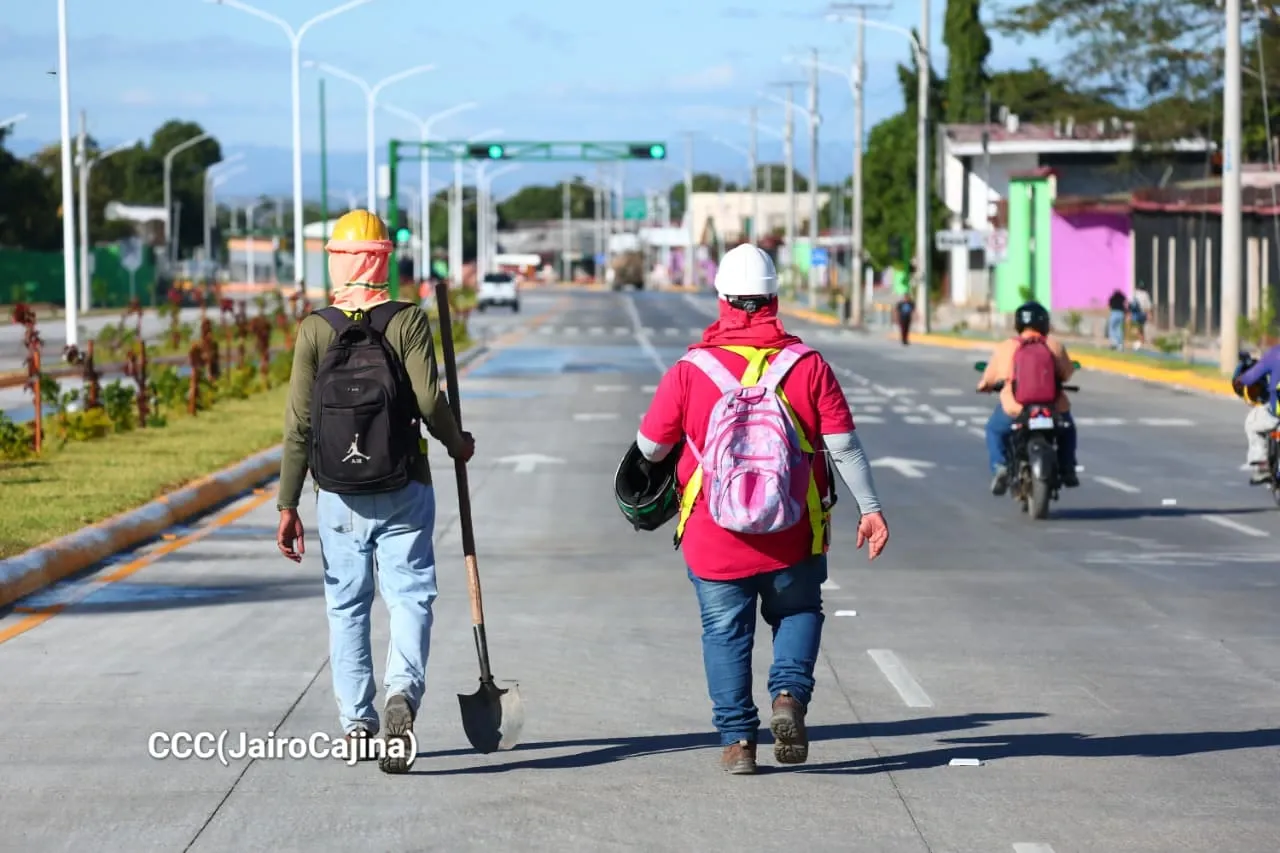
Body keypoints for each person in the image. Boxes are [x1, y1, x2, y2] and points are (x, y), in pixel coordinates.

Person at [635, 243, 890, 776]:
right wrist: (870, 507)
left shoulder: (690, 369)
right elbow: (843, 446)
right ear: (774, 297)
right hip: (792, 530)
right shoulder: (808, 365)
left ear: (722, 298)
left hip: (713, 533)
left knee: (724, 633)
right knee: (797, 612)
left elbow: (651, 449)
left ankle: (737, 744)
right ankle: (788, 700)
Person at [275, 209, 475, 774]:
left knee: (346, 606)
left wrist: (288, 504)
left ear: (335, 260)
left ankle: (357, 725)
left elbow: (297, 425)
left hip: (336, 492)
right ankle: (401, 696)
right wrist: (457, 443)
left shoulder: (316, 327)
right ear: (384, 259)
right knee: (409, 596)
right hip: (404, 483)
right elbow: (430, 402)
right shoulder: (407, 320)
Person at [977, 300, 1079, 495]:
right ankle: (1067, 468)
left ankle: (1000, 467)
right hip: (1053, 407)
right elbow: (1066, 373)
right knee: (1068, 430)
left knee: (994, 430)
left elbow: (989, 377)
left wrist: (984, 385)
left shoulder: (1006, 347)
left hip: (1016, 407)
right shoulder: (1054, 345)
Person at [1232, 345, 1280, 484]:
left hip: (1275, 414)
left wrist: (1240, 380)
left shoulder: (1274, 354)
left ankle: (1262, 465)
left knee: (1252, 422)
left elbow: (1251, 376)